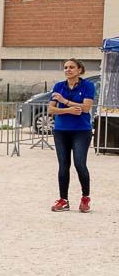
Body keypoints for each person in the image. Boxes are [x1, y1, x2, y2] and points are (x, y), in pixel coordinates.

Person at [47, 58, 95, 213]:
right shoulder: (58, 86)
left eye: (71, 67)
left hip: (81, 131)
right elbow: (50, 110)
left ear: (79, 70)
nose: (68, 70)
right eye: (65, 67)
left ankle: (85, 198)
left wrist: (64, 101)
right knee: (63, 165)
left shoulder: (88, 86)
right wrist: (68, 110)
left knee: (79, 164)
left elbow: (86, 108)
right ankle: (63, 200)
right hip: (61, 131)